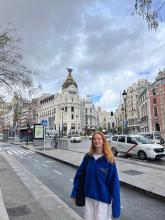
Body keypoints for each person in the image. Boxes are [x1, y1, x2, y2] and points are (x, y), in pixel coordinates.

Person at [71, 131, 120, 220]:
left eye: (99, 139)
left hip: (103, 200)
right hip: (89, 197)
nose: (96, 141)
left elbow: (114, 183)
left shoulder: (109, 159)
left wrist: (116, 207)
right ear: (92, 141)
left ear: (103, 141)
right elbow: (79, 175)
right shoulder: (88, 157)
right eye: (94, 139)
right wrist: (75, 192)